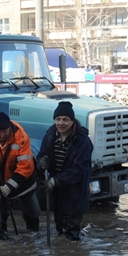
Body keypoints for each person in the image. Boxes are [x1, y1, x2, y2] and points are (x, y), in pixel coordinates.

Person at [37, 101, 94, 241]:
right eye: (58, 119)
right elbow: (41, 156)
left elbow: (78, 169)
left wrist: (55, 180)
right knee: (60, 228)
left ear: (72, 121)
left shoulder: (83, 141)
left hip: (76, 191)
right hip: (58, 192)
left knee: (71, 231)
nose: (61, 123)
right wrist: (42, 162)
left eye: (65, 119)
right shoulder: (50, 136)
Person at [0, 111, 40, 232]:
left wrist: (10, 186)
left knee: (31, 211)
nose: (1, 135)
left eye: (4, 132)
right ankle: (2, 237)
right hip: (1, 181)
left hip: (23, 181)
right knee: (0, 212)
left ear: (9, 128)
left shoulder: (21, 137)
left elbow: (25, 166)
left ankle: (34, 234)